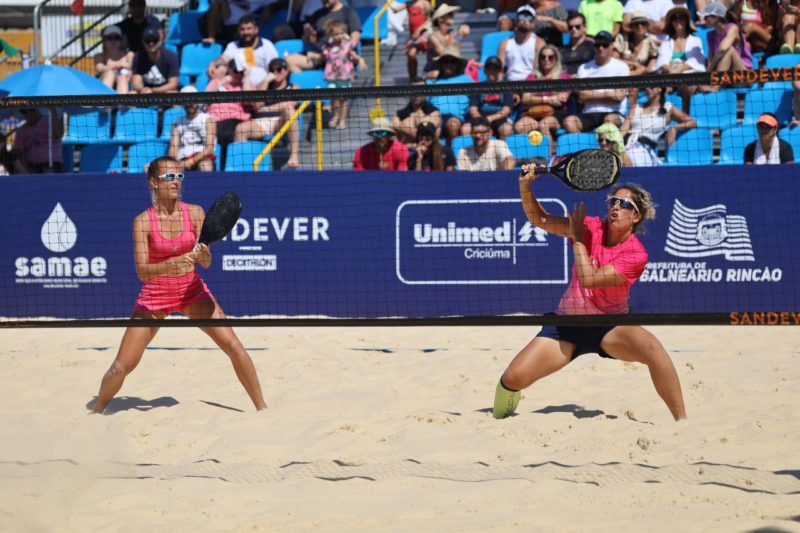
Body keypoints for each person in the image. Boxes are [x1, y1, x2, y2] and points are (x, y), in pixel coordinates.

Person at [492, 172, 687, 421]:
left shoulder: (636, 254)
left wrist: (576, 238)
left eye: (625, 204)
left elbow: (590, 279)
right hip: (567, 326)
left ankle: (682, 421)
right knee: (512, 379)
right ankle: (501, 418)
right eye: (613, 201)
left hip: (609, 327)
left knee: (653, 349)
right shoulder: (592, 227)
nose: (616, 206)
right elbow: (539, 219)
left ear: (636, 216)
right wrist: (524, 186)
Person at [91, 156, 268, 414]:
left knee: (234, 346)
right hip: (155, 295)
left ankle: (262, 408)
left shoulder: (195, 213)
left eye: (179, 176)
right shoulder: (142, 222)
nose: (176, 182)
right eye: (169, 177)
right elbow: (142, 271)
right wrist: (173, 263)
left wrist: (203, 254)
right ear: (153, 182)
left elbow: (205, 262)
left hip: (191, 291)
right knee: (121, 366)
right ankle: (97, 410)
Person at [233, 57, 301, 169]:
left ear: (286, 71)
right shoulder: (264, 85)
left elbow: (289, 104)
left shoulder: (294, 87)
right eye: (272, 70)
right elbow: (257, 105)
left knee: (289, 110)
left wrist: (266, 109)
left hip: (280, 121)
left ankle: (294, 156)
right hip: (261, 122)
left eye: (278, 69)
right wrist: (265, 81)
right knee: (240, 129)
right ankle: (242, 167)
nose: (275, 73)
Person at [563, 31, 629, 133]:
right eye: (598, 45)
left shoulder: (621, 67)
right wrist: (608, 94)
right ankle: (584, 148)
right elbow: (582, 96)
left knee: (609, 121)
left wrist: (591, 95)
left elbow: (619, 96)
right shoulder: (584, 68)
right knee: (569, 122)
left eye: (605, 45)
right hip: (589, 113)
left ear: (612, 46)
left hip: (613, 113)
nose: (600, 48)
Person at [619, 86, 696, 166]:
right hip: (627, 145)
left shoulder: (668, 108)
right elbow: (622, 131)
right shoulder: (636, 107)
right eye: (646, 88)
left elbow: (692, 122)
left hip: (645, 149)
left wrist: (674, 128)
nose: (648, 89)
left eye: (651, 87)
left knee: (629, 157)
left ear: (660, 89)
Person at [514, 44, 572, 145]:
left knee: (544, 125)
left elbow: (561, 100)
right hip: (534, 113)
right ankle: (527, 157)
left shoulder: (564, 77)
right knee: (519, 127)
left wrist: (535, 97)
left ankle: (548, 159)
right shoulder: (532, 77)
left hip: (556, 114)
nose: (546, 60)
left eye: (550, 57)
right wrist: (548, 99)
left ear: (556, 60)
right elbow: (526, 99)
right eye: (543, 57)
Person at [285, 0, 361, 73]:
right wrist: (308, 35)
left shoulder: (348, 12)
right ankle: (306, 85)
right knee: (289, 60)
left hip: (339, 56)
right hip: (320, 56)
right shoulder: (317, 15)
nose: (324, 0)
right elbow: (310, 40)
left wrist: (340, 52)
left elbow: (355, 38)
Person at [208, 15, 278, 88]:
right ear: (238, 31)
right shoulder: (233, 45)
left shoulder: (267, 45)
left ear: (256, 30)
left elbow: (274, 67)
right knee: (220, 69)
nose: (245, 32)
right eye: (242, 29)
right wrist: (213, 64)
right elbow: (224, 58)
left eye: (249, 29)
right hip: (237, 86)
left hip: (262, 87)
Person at [322, 19, 367, 129]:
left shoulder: (348, 45)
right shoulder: (328, 46)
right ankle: (335, 115)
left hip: (344, 76)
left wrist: (360, 60)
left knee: (343, 99)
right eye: (336, 34)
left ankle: (342, 120)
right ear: (331, 34)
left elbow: (354, 55)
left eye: (341, 33)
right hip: (332, 76)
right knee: (333, 96)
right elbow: (324, 57)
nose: (339, 36)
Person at [168, 87, 217, 172]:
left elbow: (209, 149)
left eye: (192, 100)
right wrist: (175, 164)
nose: (189, 104)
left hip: (202, 158)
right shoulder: (176, 123)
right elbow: (173, 151)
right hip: (182, 159)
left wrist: (191, 161)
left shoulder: (208, 120)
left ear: (197, 101)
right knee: (149, 167)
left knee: (205, 166)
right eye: (186, 101)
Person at [465, 56, 514, 140]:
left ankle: (501, 152)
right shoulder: (478, 87)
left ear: (500, 71)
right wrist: (481, 120)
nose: (492, 72)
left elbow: (506, 111)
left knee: (506, 129)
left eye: (495, 69)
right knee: (465, 129)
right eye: (489, 69)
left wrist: (490, 118)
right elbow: (473, 109)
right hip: (480, 118)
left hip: (499, 119)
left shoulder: (506, 87)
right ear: (485, 70)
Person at [701, 1, 753, 73]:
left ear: (717, 16)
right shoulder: (710, 35)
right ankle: (714, 82)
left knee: (729, 50)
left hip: (743, 74)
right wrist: (709, 74)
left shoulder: (733, 28)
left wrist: (709, 70)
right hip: (725, 74)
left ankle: (716, 83)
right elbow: (710, 58)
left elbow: (722, 49)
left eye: (706, 16)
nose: (704, 19)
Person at [498, 5, 546, 81]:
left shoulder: (539, 43)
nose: (525, 20)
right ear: (516, 20)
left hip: (531, 84)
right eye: (522, 16)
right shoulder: (505, 43)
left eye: (529, 18)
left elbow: (537, 69)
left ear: (533, 23)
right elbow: (499, 69)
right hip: (510, 84)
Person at [11, 108, 63, 174]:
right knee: (17, 163)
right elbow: (19, 153)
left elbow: (58, 134)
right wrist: (27, 167)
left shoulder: (49, 121)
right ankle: (30, 181)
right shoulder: (21, 130)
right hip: (32, 166)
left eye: (31, 110)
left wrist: (52, 108)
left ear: (37, 110)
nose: (28, 114)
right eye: (24, 112)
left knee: (49, 174)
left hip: (52, 163)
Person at [392, 0, 434, 80]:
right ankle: (413, 77)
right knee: (411, 54)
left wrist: (419, 30)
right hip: (414, 36)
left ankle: (430, 75)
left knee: (430, 55)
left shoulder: (425, 3)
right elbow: (395, 10)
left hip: (425, 34)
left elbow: (430, 19)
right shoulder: (408, 4)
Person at [391, 77, 442, 144]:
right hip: (406, 152)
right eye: (413, 89)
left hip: (428, 152)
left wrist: (398, 126)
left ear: (426, 92)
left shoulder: (434, 112)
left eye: (420, 90)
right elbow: (392, 137)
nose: (416, 94)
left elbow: (421, 135)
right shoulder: (399, 114)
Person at [131, 25, 179, 94]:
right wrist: (143, 89)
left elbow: (173, 84)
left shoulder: (171, 57)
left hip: (164, 93)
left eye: (154, 40)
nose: (151, 43)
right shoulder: (138, 57)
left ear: (160, 41)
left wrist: (153, 90)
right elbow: (136, 81)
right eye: (147, 40)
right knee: (132, 93)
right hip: (146, 93)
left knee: (172, 94)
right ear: (143, 42)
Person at [425, 4, 468, 80]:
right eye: (449, 14)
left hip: (449, 69)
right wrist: (460, 38)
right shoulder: (432, 37)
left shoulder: (452, 33)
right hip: (433, 71)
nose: (452, 16)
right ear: (440, 18)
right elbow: (447, 55)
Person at [94, 25, 134, 94]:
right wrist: (120, 64)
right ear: (104, 40)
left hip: (125, 85)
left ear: (120, 40)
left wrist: (110, 65)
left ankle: (121, 103)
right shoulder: (99, 56)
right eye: (109, 38)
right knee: (110, 73)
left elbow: (129, 66)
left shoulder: (129, 54)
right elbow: (99, 69)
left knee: (122, 78)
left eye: (116, 38)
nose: (113, 41)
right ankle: (104, 102)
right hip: (105, 83)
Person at [560, 11, 595, 75]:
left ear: (585, 27)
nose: (573, 29)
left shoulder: (592, 46)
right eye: (570, 27)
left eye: (577, 27)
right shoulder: (562, 49)